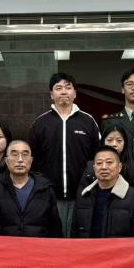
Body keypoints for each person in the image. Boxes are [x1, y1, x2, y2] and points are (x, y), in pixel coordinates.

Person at [28, 72, 101, 236]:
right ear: (51, 94)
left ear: (75, 93)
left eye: (68, 87)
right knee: (54, 241)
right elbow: (33, 161)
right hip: (49, 197)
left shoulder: (88, 121)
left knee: (79, 241)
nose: (63, 92)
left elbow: (97, 157)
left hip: (82, 196)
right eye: (58, 88)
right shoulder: (40, 123)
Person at [0, 139, 63, 237]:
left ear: (31, 160)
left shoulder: (45, 189)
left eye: (25, 155)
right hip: (5, 245)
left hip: (37, 245)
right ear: (6, 161)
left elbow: (55, 228)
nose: (20, 160)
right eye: (14, 154)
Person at [71, 146, 134, 238]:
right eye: (99, 163)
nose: (104, 167)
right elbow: (74, 235)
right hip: (89, 247)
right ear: (94, 168)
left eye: (109, 162)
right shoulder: (85, 196)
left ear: (119, 167)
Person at [77, 121, 134, 193]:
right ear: (103, 142)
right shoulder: (90, 167)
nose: (114, 144)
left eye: (119, 140)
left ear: (125, 144)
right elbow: (82, 194)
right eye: (109, 140)